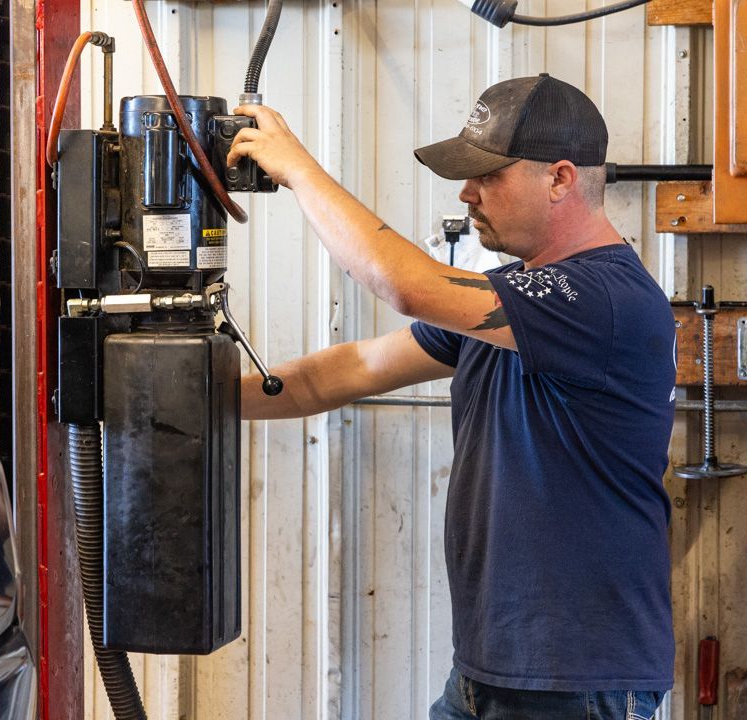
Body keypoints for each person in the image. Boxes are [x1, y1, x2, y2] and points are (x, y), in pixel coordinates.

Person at [227, 74, 675, 720]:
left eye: (487, 174)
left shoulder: (607, 301)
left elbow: (403, 284)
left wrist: (297, 169)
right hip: (484, 673)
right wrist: (199, 398)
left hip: (576, 683)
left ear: (561, 179)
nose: (466, 192)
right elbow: (351, 368)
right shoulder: (512, 298)